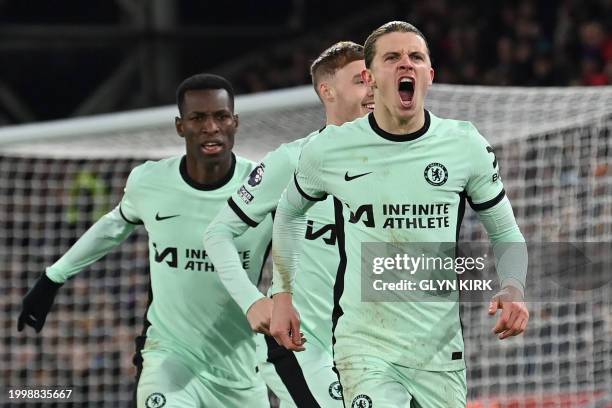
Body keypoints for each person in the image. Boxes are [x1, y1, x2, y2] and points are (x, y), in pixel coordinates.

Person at [269, 21, 530, 408]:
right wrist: (282, 294)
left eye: (416, 57)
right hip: (364, 344)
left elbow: (505, 229)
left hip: (439, 349)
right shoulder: (331, 150)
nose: (405, 64)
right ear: (370, 78)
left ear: (430, 75)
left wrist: (513, 286)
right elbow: (289, 213)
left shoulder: (464, 144)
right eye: (392, 57)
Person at [18, 73, 272, 408]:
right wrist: (52, 278)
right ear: (180, 127)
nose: (211, 127)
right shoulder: (150, 181)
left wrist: (366, 288)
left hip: (240, 369)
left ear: (235, 122)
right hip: (169, 359)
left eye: (221, 116)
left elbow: (339, 230)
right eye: (198, 118)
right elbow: (113, 226)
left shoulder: (266, 186)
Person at [203, 41, 373, 407]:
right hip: (303, 347)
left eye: (374, 80)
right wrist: (251, 302)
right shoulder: (291, 160)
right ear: (327, 91)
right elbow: (218, 233)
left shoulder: (399, 165)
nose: (372, 89)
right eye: (361, 81)